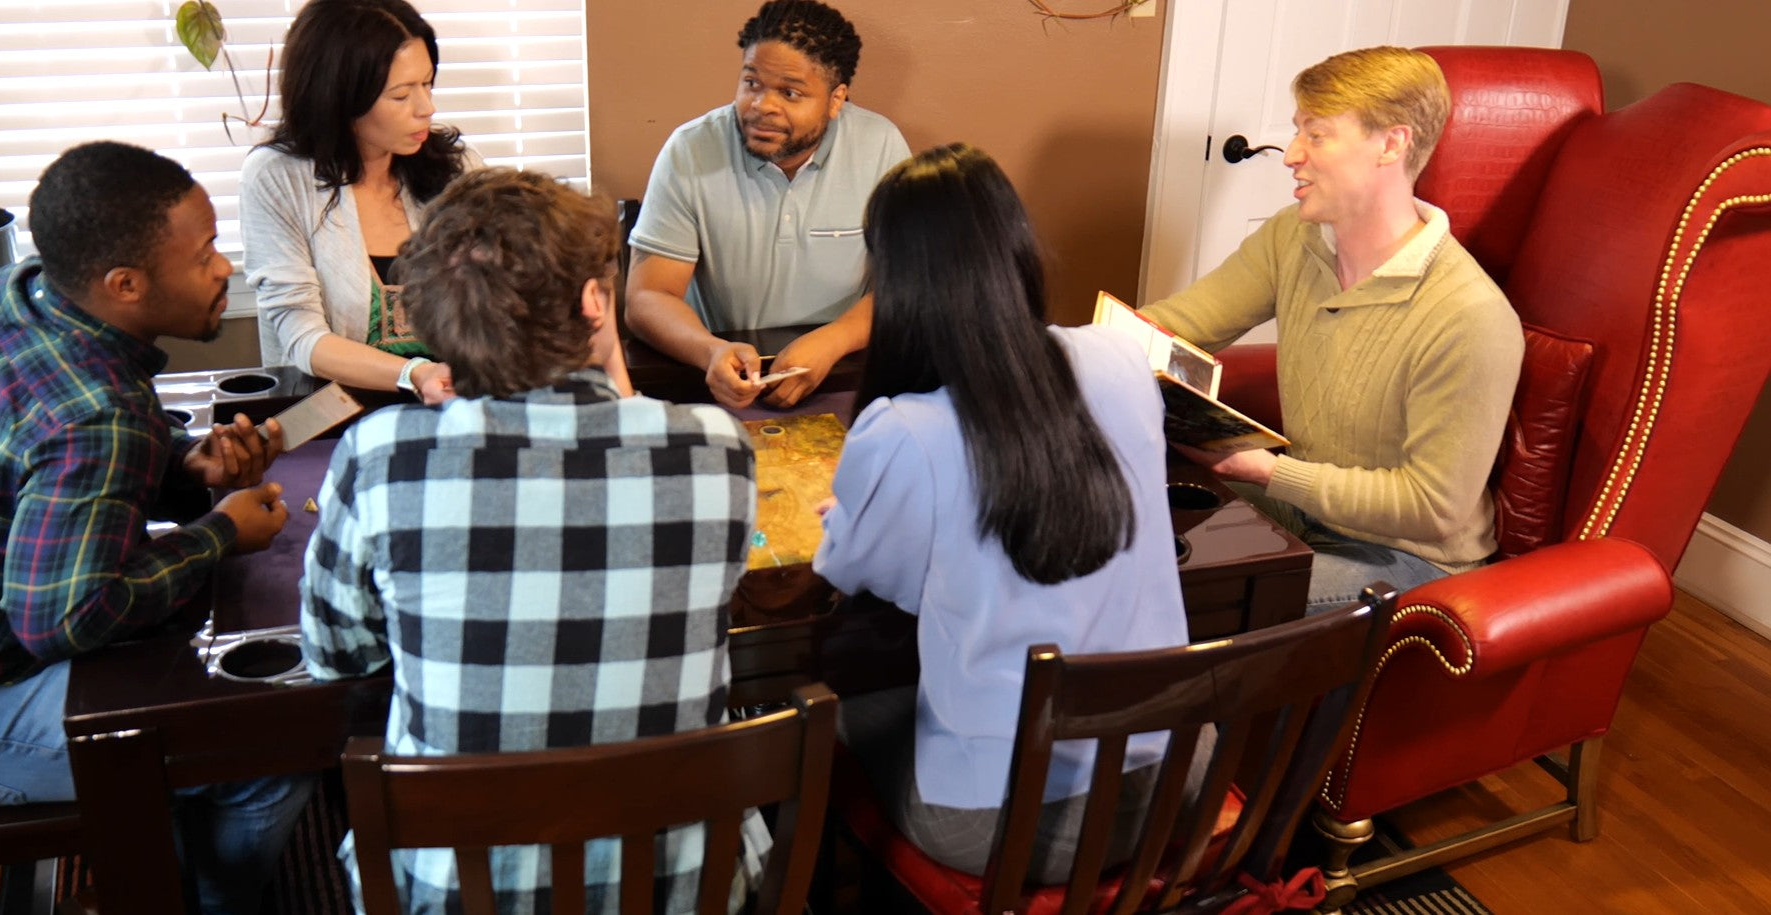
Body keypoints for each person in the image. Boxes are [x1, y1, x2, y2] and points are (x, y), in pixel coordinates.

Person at [300, 167, 768, 914]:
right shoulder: (716, 446)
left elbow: (335, 656)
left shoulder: (382, 455)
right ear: (594, 301)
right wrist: (612, 365)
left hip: (455, 891)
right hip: (679, 888)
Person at [0, 141, 309, 915]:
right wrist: (219, 532)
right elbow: (63, 617)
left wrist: (184, 466)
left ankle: (170, 855)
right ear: (125, 284)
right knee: (267, 743)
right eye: (205, 252)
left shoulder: (6, 297)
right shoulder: (93, 411)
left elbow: (33, 464)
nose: (224, 268)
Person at [813, 144, 1189, 882]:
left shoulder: (903, 431)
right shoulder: (1120, 358)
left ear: (895, 280)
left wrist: (852, 515)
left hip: (1002, 819)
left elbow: (862, 578)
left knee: (824, 718)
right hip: (1165, 779)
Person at [1139, 46, 1524, 614]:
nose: (1292, 154)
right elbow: (1178, 326)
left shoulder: (1469, 315)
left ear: (1391, 144)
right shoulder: (1292, 239)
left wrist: (1269, 471)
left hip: (1410, 557)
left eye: (1317, 135)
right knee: (1123, 531)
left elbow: (1434, 507)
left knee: (1188, 598)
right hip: (1307, 513)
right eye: (1298, 131)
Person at [626, 0, 909, 410]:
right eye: (752, 83)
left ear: (836, 99)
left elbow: (907, 283)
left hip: (843, 373)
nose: (762, 106)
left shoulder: (881, 147)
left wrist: (835, 339)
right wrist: (710, 352)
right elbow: (648, 298)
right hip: (719, 381)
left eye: (790, 93)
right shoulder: (690, 151)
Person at [241, 0, 473, 404]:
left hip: (454, 405)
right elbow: (302, 336)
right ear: (339, 97)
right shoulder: (277, 177)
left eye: (428, 84)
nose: (426, 109)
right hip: (334, 416)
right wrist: (413, 374)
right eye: (401, 96)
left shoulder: (458, 169)